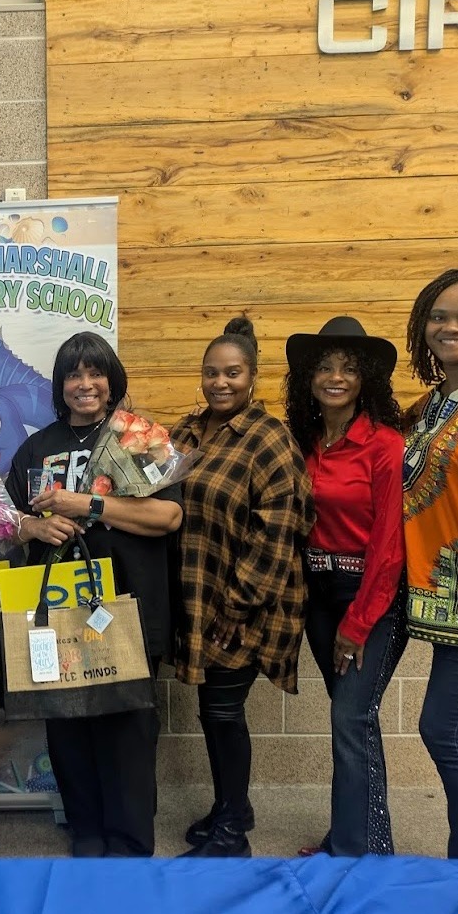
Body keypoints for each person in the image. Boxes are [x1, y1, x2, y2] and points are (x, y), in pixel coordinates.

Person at [3, 331, 183, 858]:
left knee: (126, 727)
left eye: (95, 372)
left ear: (112, 381)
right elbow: (3, 518)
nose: (85, 384)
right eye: (73, 375)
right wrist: (32, 528)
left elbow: (168, 516)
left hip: (127, 605)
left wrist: (88, 505)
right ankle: (84, 829)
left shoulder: (140, 437)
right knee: (66, 725)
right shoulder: (36, 447)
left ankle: (128, 842)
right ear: (60, 386)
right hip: (55, 610)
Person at [170, 317, 313, 858]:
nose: (220, 383)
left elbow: (280, 529)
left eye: (233, 373)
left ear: (253, 377)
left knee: (223, 711)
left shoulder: (269, 438)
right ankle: (233, 805)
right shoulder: (186, 432)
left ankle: (233, 835)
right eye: (211, 373)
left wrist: (239, 603)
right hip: (198, 597)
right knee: (214, 708)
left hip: (247, 606)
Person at [283, 316, 407, 857]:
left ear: (365, 382)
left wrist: (357, 625)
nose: (336, 377)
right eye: (325, 367)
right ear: (308, 377)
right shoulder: (305, 444)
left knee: (348, 718)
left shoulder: (384, 446)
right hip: (320, 597)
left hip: (371, 601)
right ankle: (363, 840)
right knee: (354, 723)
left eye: (349, 370)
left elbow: (388, 548)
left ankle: (354, 855)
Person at [402, 268, 458, 859]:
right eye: (439, 315)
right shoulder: (427, 408)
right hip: (444, 595)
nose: (450, 326)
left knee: (442, 729)